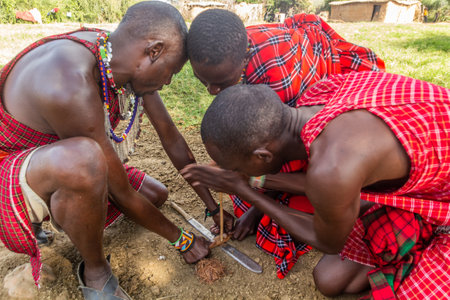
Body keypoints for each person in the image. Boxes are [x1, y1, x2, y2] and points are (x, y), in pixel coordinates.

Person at [0, 2, 216, 299]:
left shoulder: (114, 54)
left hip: (55, 161)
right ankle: (96, 271)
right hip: (10, 175)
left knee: (155, 195)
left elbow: (171, 138)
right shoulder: (68, 81)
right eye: (171, 73)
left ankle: (72, 211)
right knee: (86, 162)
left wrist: (213, 207)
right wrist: (182, 239)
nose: (167, 82)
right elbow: (121, 194)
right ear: (154, 50)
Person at [181, 72, 450, 299]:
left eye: (237, 167)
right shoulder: (318, 97)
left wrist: (244, 190)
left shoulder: (334, 167)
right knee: (330, 279)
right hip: (425, 190)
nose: (234, 173)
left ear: (263, 156)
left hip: (440, 203)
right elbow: (326, 183)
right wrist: (249, 179)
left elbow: (328, 241)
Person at [187, 8, 386, 278]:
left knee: (286, 219)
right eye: (203, 81)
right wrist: (236, 176)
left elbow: (283, 149)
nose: (211, 90)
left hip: (328, 143)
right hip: (298, 142)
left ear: (244, 58)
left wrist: (254, 205)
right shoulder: (229, 47)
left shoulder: (281, 85)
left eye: (220, 82)